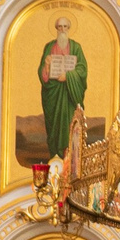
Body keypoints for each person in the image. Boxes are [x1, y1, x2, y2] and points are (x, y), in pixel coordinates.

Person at [36, 14, 89, 164]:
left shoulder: (76, 47)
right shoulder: (49, 47)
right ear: (56, 29)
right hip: (53, 95)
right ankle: (55, 156)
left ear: (69, 28)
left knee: (69, 125)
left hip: (70, 96)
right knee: (54, 128)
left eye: (65, 27)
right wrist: (47, 66)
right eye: (60, 27)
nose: (62, 29)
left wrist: (68, 76)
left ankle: (70, 159)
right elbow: (42, 72)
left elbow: (82, 70)